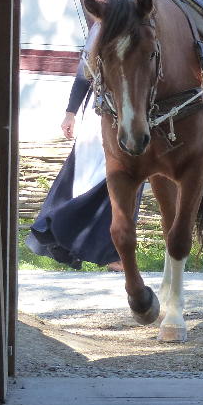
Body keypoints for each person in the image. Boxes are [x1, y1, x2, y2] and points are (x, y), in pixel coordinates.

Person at [25, 21, 132, 271]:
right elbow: (85, 73)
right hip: (103, 115)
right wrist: (70, 112)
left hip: (122, 113)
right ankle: (61, 233)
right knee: (103, 180)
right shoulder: (104, 27)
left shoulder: (139, 25)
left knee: (112, 181)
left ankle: (83, 245)